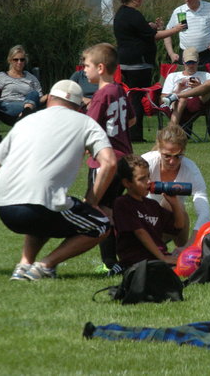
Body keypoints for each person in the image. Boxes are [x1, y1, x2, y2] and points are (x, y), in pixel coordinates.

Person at [0, 80, 116, 281]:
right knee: (101, 225)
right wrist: (92, 201)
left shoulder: (26, 121)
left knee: (46, 211)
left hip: (5, 208)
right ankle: (45, 265)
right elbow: (110, 162)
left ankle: (24, 266)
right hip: (39, 204)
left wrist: (5, 197)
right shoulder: (86, 122)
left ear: (50, 98)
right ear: (79, 106)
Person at [82, 43, 136, 275]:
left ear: (100, 68)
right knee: (111, 210)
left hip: (105, 161)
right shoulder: (119, 90)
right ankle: (119, 258)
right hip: (125, 158)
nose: (84, 70)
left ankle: (109, 261)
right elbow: (132, 120)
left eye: (87, 65)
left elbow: (89, 127)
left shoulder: (101, 95)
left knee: (98, 209)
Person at [113, 0, 185, 141]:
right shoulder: (134, 14)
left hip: (124, 62)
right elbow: (152, 36)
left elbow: (139, 31)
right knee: (137, 98)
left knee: (131, 96)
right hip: (139, 63)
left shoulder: (121, 13)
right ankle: (135, 134)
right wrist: (175, 30)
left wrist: (151, 26)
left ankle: (130, 132)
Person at [164, 0, 210, 138]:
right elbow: (167, 33)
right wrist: (171, 53)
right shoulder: (179, 11)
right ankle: (185, 133)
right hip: (186, 56)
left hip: (205, 54)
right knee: (185, 89)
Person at [113, 154, 189, 268]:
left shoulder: (152, 205)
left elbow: (178, 226)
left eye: (148, 176)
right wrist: (162, 258)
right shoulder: (122, 203)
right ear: (127, 183)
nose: (148, 181)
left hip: (157, 257)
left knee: (195, 264)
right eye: (142, 179)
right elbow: (140, 232)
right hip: (137, 259)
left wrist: (174, 203)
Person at [142, 124, 210, 247]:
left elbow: (204, 213)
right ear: (159, 149)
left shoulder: (190, 170)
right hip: (145, 220)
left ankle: (182, 251)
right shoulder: (146, 163)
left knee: (173, 204)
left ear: (184, 151)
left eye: (178, 156)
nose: (172, 162)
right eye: (167, 156)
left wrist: (190, 245)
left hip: (174, 221)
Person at [160, 47, 210, 127]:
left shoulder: (206, 75)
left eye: (193, 62)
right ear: (183, 62)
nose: (191, 65)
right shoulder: (172, 76)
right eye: (188, 62)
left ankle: (176, 96)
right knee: (182, 99)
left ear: (198, 61)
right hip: (176, 104)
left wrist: (200, 87)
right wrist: (179, 89)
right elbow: (163, 98)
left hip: (195, 103)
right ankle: (172, 128)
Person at [0, 45, 43, 124]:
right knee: (33, 108)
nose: (19, 62)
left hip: (27, 103)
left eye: (22, 59)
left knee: (34, 93)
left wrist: (50, 97)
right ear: (10, 60)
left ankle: (25, 113)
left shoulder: (31, 77)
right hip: (8, 105)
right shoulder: (1, 76)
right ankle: (27, 111)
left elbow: (39, 97)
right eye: (16, 59)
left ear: (25, 61)